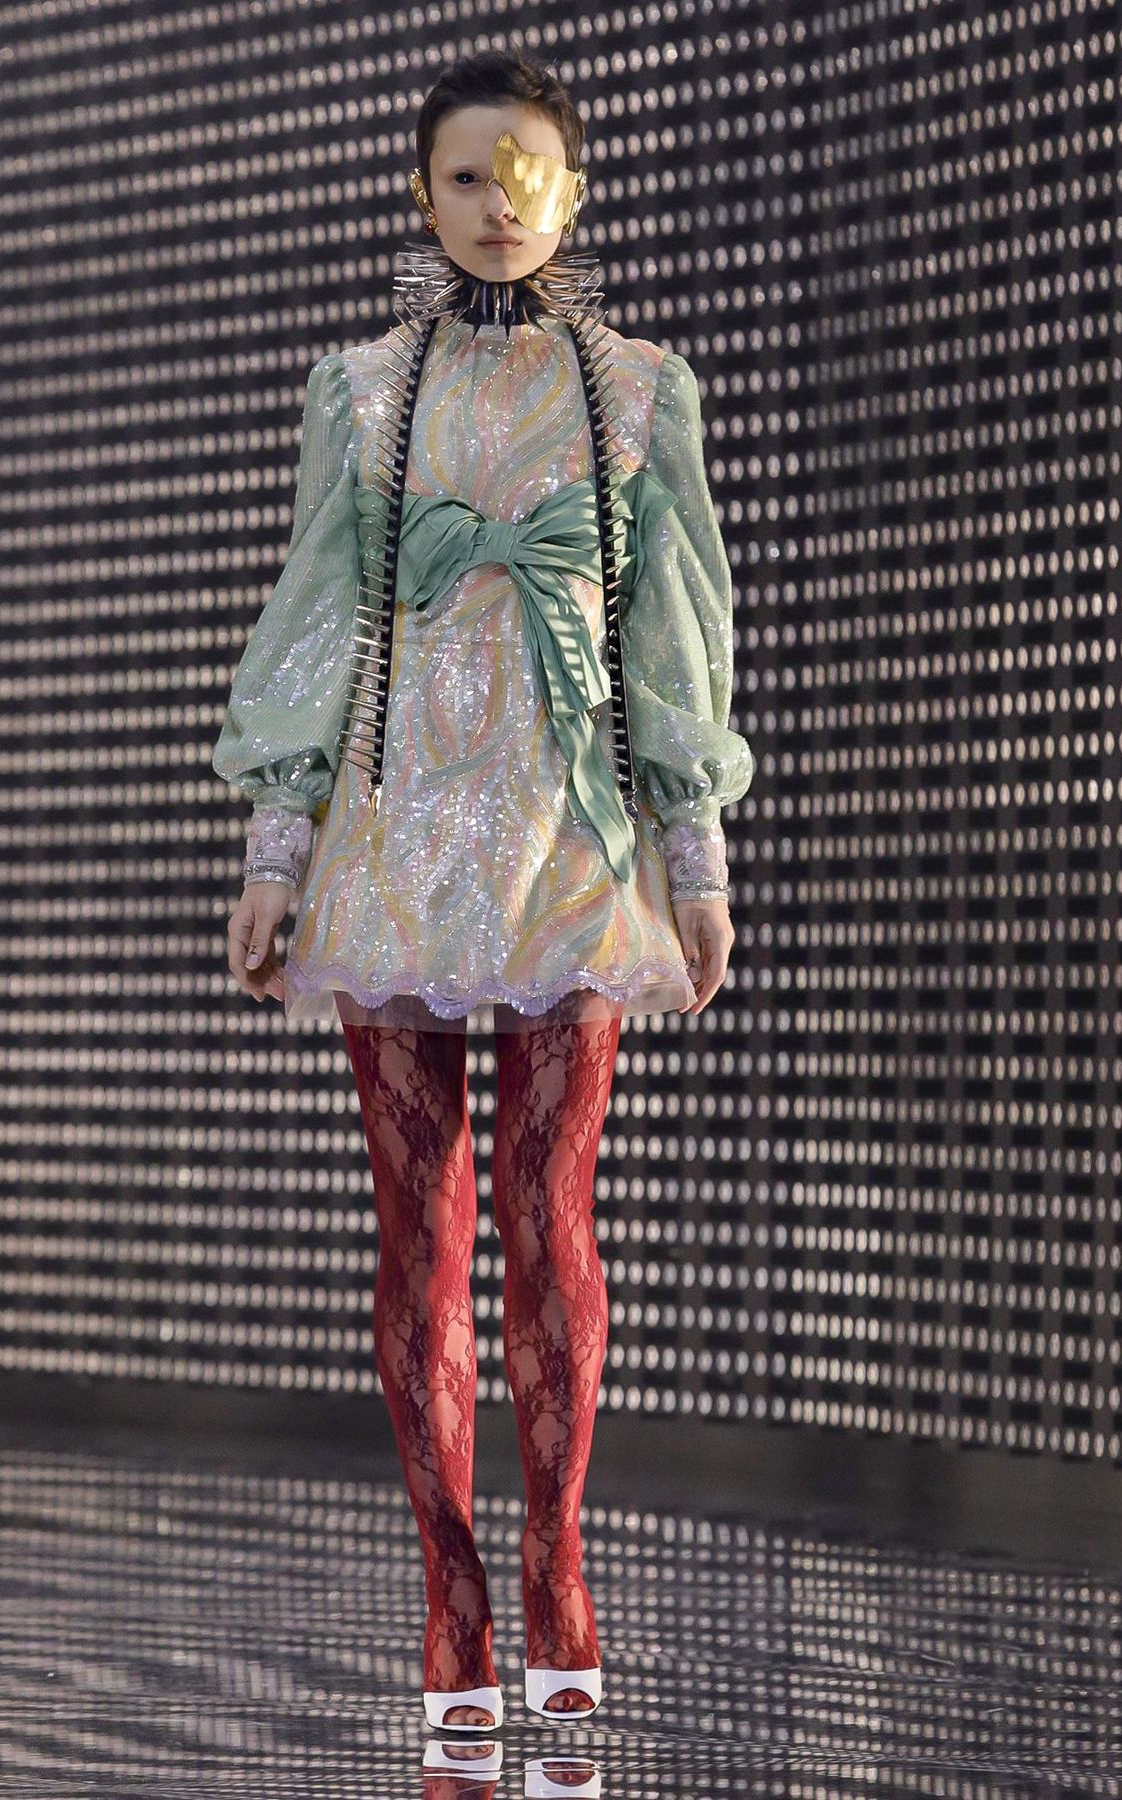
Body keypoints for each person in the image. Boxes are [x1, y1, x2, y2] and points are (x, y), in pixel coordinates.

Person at [211, 47, 755, 1732]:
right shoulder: (363, 390)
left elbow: (674, 636)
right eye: (466, 174)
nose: (499, 203)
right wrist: (274, 851)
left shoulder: (642, 392)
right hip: (395, 842)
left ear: (572, 191)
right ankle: (449, 1595)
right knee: (419, 1231)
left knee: (550, 1217)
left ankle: (556, 1554)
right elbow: (316, 617)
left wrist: (696, 854)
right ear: (422, 193)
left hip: (568, 848)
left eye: (527, 173)